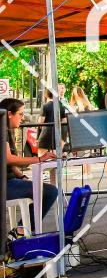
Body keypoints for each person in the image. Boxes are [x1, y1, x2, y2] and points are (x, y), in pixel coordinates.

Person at [2, 98, 59, 230]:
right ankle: (21, 232)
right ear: (9, 114)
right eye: (20, 114)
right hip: (5, 185)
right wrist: (39, 159)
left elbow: (9, 164)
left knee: (47, 190)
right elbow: (9, 159)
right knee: (50, 191)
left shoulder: (6, 130)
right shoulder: (2, 130)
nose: (22, 118)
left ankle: (21, 231)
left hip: (10, 181)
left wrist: (22, 176)